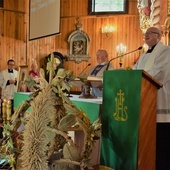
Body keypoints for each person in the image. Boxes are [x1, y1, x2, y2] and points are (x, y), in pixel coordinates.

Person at [133, 26, 170, 170]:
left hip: (160, 101)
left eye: (150, 33)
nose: (146, 35)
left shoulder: (166, 51)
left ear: (159, 36)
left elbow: (160, 73)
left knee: (161, 144)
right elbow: (135, 70)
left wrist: (139, 79)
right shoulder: (143, 54)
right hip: (144, 102)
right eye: (145, 33)